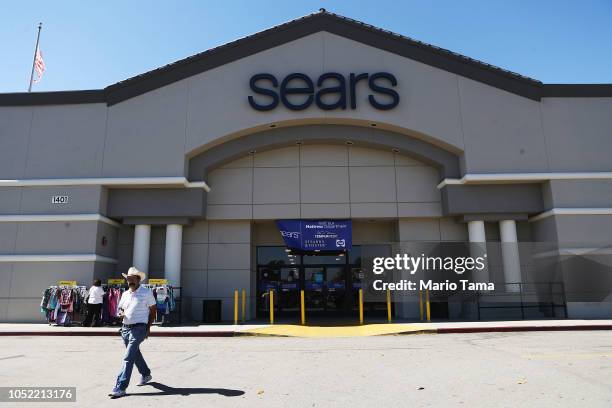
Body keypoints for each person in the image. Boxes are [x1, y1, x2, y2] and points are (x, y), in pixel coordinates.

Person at [109, 267, 157, 398]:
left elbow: (153, 310)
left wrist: (148, 327)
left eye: (132, 279)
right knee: (135, 354)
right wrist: (120, 313)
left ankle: (120, 387)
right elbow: (120, 309)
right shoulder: (125, 294)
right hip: (125, 328)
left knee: (128, 357)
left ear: (138, 279)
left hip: (139, 328)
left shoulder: (146, 293)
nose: (129, 281)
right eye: (128, 279)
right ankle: (146, 374)